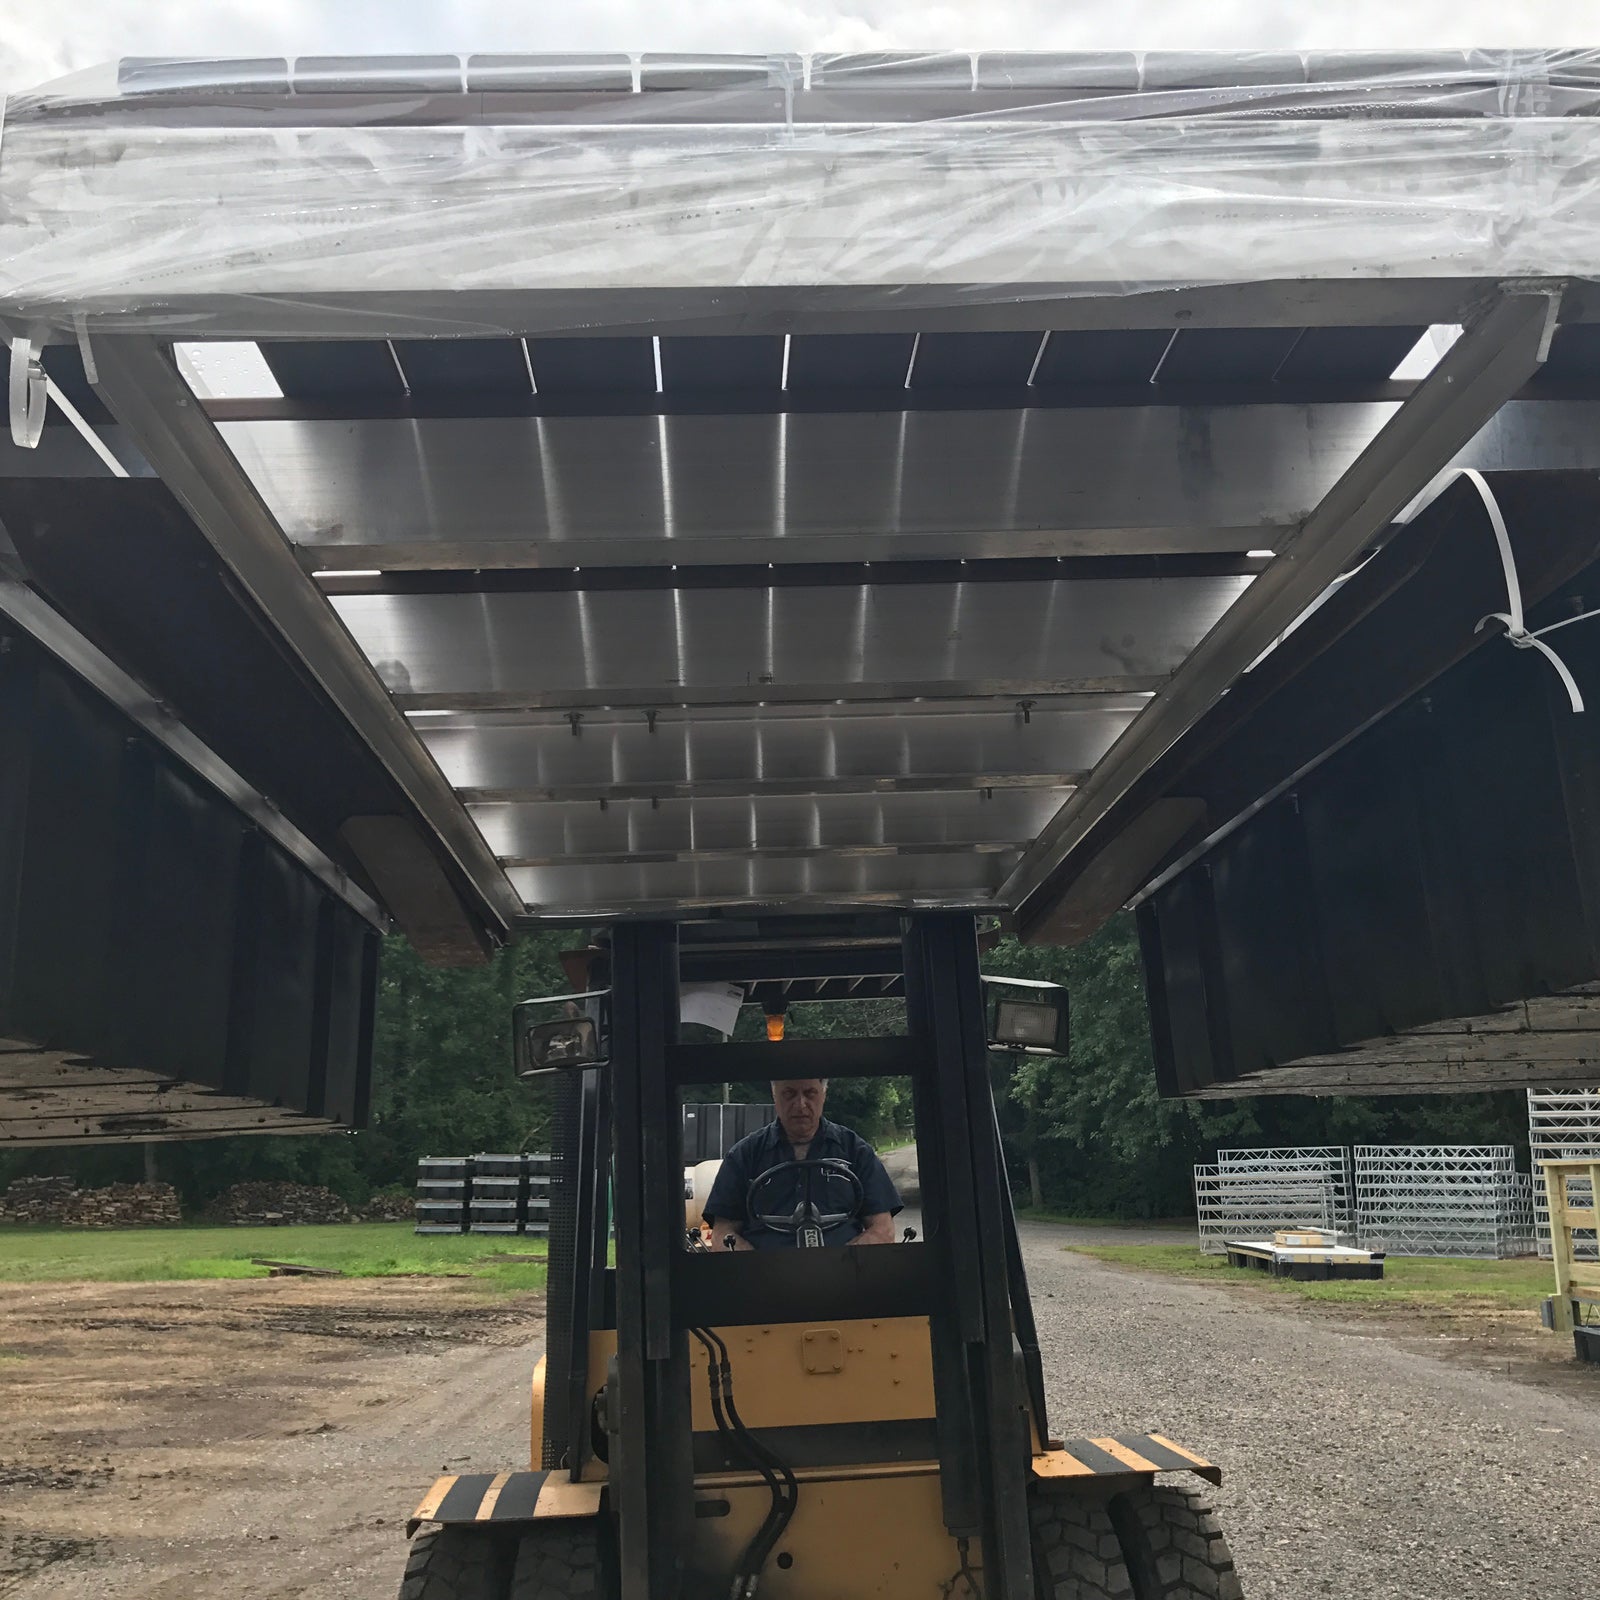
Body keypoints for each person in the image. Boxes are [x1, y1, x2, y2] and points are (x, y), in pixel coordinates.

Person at [704, 1078, 901, 1250]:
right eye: (789, 1094)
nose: (800, 1105)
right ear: (775, 1095)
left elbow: (883, 1229)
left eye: (810, 1093)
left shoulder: (855, 1151)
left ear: (823, 1095)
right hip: (766, 1284)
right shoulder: (744, 1155)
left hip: (844, 1279)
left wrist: (841, 1265)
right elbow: (723, 1233)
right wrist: (759, 1271)